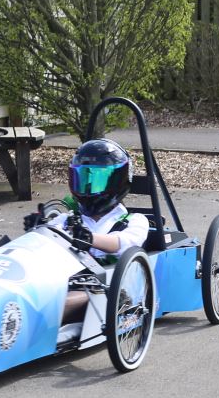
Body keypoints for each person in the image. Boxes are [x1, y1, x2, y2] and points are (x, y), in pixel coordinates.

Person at [49, 138, 148, 326]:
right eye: (84, 178)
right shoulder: (68, 219)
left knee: (54, 305)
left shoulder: (134, 221)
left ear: (117, 181)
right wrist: (37, 228)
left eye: (97, 179)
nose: (88, 187)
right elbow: (45, 237)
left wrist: (88, 238)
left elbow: (125, 243)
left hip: (109, 288)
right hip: (63, 281)